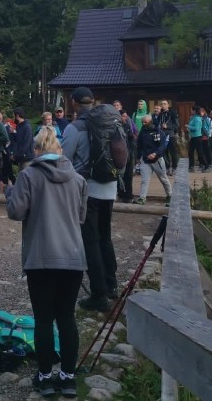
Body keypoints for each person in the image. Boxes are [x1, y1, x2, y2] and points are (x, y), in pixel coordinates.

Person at [6, 126, 87, 398]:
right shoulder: (77, 179)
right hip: (73, 258)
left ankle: (45, 377)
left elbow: (16, 212)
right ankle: (68, 378)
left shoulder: (28, 175)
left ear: (37, 150)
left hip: (41, 259)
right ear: (60, 151)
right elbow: (81, 217)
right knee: (67, 318)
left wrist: (9, 193)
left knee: (43, 320)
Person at [60, 87, 117, 313]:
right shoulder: (111, 123)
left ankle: (99, 294)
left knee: (90, 240)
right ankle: (111, 285)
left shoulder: (75, 128)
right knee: (105, 237)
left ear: (74, 103)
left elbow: (63, 160)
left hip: (87, 190)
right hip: (110, 188)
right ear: (93, 102)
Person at [135, 114, 172, 205]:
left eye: (145, 122)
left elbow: (162, 146)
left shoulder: (158, 131)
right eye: (142, 122)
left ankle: (170, 196)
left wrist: (155, 154)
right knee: (144, 180)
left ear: (150, 122)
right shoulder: (142, 132)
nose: (143, 124)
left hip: (157, 160)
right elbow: (139, 145)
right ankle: (142, 198)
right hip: (145, 160)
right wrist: (137, 157)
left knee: (163, 179)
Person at [112, 101, 136, 203]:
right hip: (119, 155)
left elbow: (132, 139)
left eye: (126, 116)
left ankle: (129, 195)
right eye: (123, 116)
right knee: (119, 176)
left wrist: (133, 152)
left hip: (129, 154)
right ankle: (120, 193)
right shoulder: (115, 127)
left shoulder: (127, 125)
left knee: (128, 176)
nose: (125, 118)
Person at [154, 99, 179, 175]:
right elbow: (157, 125)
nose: (163, 105)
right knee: (164, 152)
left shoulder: (172, 113)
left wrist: (167, 126)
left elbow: (176, 125)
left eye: (165, 104)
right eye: (162, 104)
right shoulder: (160, 115)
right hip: (162, 136)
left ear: (168, 105)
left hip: (170, 135)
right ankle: (167, 168)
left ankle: (174, 168)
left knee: (173, 153)